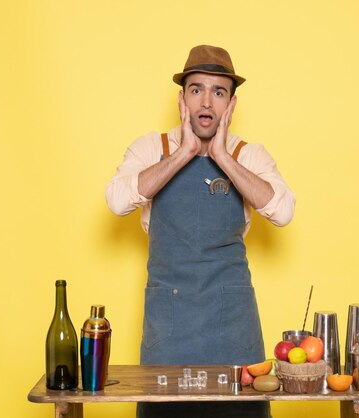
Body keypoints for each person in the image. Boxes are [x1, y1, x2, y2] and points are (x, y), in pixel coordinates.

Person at [106, 45, 295, 417]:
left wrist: (222, 156)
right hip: (169, 329)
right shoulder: (151, 149)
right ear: (182, 98)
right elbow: (116, 200)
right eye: (197, 90)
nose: (206, 101)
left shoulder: (248, 155)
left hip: (233, 326)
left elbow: (283, 211)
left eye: (218, 92)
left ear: (230, 104)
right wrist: (184, 154)